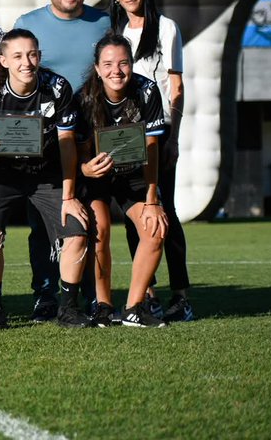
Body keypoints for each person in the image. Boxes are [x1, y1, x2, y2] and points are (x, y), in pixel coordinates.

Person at [0, 29, 91, 329]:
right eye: (17, 56)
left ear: (39, 56)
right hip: (2, 176)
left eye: (32, 54)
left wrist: (69, 196)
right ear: (3, 61)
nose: (26, 62)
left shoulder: (57, 88)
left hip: (47, 175)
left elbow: (67, 144)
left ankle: (68, 308)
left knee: (77, 231)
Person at [14, 0, 108, 321]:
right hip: (46, 145)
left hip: (94, 142)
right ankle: (45, 294)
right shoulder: (28, 24)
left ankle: (92, 295)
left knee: (90, 221)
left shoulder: (104, 22)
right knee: (42, 226)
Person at [108, 0, 193, 322]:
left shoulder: (166, 27)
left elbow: (176, 85)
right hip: (125, 136)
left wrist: (173, 137)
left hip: (159, 134)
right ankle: (148, 295)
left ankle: (182, 297)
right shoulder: (116, 32)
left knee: (164, 212)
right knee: (135, 217)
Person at [75, 35, 170, 328]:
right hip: (97, 178)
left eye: (123, 63)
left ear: (131, 64)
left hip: (134, 176)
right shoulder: (84, 98)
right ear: (97, 68)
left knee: (156, 229)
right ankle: (103, 306)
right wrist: (85, 168)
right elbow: (78, 151)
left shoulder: (147, 91)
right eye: (108, 64)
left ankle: (134, 307)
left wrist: (152, 200)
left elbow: (152, 149)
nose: (116, 71)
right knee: (99, 229)